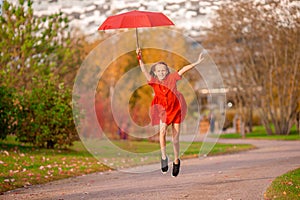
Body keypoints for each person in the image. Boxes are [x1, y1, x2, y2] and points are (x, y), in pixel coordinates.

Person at [136, 48, 204, 177]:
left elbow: (184, 69)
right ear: (155, 73)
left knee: (175, 139)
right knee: (162, 132)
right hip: (163, 111)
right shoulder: (154, 82)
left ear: (167, 71)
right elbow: (143, 70)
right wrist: (139, 57)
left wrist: (196, 62)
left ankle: (177, 160)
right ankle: (163, 157)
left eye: (163, 70)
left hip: (176, 108)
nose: (161, 72)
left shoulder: (172, 78)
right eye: (159, 70)